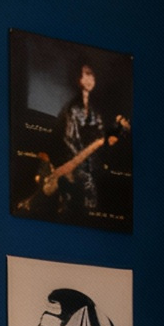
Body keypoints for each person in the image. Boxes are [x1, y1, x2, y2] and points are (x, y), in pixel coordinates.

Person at [49, 59, 127, 221]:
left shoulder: (96, 113)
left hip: (89, 179)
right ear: (78, 78)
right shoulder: (71, 110)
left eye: (92, 75)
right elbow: (69, 145)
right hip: (71, 178)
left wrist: (118, 131)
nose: (90, 79)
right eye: (87, 74)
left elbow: (103, 143)